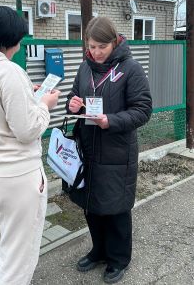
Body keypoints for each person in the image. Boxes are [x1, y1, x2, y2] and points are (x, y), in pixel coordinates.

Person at [0, 5, 60, 285]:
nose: (20, 46)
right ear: (10, 40)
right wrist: (44, 105)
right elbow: (28, 130)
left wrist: (26, 97)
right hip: (15, 177)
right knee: (19, 259)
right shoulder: (8, 72)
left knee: (2, 244)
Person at [66, 16, 152, 284]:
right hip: (88, 149)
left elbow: (142, 110)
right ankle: (98, 251)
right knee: (92, 206)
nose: (96, 52)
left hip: (117, 152)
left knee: (115, 209)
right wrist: (73, 104)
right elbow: (74, 96)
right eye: (91, 46)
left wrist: (110, 121)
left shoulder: (131, 69)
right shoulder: (85, 68)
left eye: (102, 46)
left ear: (114, 42)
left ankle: (118, 259)